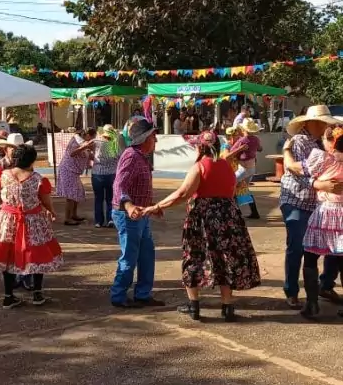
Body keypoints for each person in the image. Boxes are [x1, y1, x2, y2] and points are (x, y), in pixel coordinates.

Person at [144, 131, 261, 321]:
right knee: (225, 258)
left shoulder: (200, 167)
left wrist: (157, 206)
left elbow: (182, 193)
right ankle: (227, 306)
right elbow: (230, 191)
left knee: (195, 256)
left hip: (203, 218)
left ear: (200, 147)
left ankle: (194, 306)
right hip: (228, 216)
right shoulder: (227, 166)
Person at [0, 144, 62, 309]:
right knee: (36, 253)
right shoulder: (38, 179)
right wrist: (52, 211)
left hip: (8, 220)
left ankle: (8, 296)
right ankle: (37, 293)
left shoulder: (2, 175)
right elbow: (45, 200)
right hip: (34, 220)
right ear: (32, 160)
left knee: (7, 254)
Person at [279, 104, 340, 309]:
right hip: (296, 199)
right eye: (323, 123)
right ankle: (292, 291)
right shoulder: (299, 142)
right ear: (310, 122)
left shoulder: (323, 142)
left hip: (320, 203)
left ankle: (324, 286)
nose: (326, 127)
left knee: (332, 246)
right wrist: (318, 184)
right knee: (298, 247)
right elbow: (298, 171)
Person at [110, 118, 164, 309]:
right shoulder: (131, 156)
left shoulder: (140, 156)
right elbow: (119, 185)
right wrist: (129, 206)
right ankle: (118, 295)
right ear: (145, 138)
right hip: (128, 215)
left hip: (141, 214)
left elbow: (136, 186)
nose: (156, 141)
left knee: (146, 255)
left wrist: (150, 206)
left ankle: (143, 294)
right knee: (130, 257)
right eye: (153, 136)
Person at [55, 128, 96, 225]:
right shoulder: (76, 140)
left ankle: (73, 215)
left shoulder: (83, 143)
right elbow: (72, 153)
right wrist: (85, 147)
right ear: (87, 135)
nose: (92, 139)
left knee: (77, 193)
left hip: (74, 172)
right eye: (92, 137)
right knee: (71, 196)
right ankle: (67, 218)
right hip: (68, 170)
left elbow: (89, 156)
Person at [224, 117, 262, 219]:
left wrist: (240, 148)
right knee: (244, 189)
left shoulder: (242, 141)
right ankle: (252, 212)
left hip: (243, 169)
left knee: (231, 186)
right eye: (232, 135)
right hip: (250, 168)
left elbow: (228, 155)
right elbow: (260, 149)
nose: (234, 137)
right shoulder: (256, 139)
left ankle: (233, 212)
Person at [91, 125, 121, 229]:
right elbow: (119, 156)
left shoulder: (96, 142)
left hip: (97, 174)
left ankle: (98, 221)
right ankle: (110, 219)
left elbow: (88, 150)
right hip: (111, 174)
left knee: (98, 198)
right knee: (110, 198)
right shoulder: (115, 144)